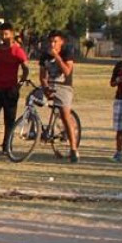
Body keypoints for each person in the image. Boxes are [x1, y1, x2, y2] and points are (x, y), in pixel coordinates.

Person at [0, 22, 29, 155]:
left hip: (10, 90)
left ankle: (6, 146)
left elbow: (26, 70)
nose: (4, 36)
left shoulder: (17, 51)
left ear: (12, 34)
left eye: (6, 34)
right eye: (2, 34)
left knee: (9, 120)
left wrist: (18, 85)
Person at [39, 30, 81, 163]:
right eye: (50, 41)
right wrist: (45, 87)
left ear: (62, 42)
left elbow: (67, 71)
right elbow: (42, 75)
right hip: (49, 85)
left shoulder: (67, 52)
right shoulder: (44, 54)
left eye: (55, 41)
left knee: (64, 114)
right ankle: (32, 129)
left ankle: (73, 149)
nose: (52, 44)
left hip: (63, 86)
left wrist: (56, 56)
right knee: (32, 99)